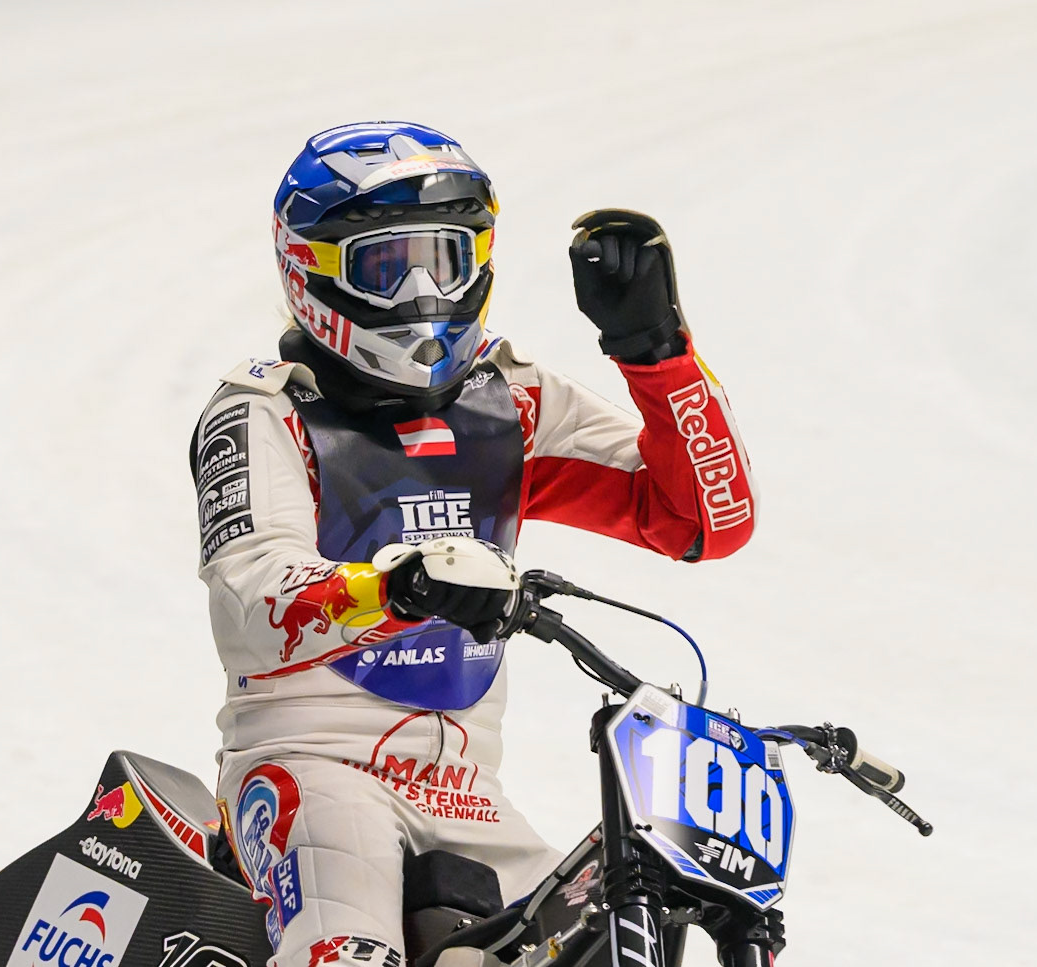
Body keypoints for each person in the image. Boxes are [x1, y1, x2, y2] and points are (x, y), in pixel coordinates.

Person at [190, 121, 757, 967]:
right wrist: (396, 588)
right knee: (348, 953)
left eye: (446, 259)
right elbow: (258, 596)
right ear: (311, 270)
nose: (423, 291)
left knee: (603, 943)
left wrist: (657, 355)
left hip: (465, 789)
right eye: (387, 264)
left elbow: (704, 520)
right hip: (309, 767)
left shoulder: (510, 402)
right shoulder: (265, 410)